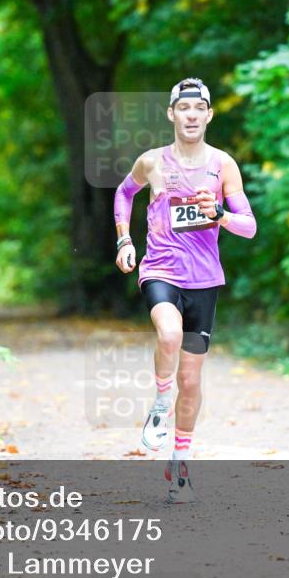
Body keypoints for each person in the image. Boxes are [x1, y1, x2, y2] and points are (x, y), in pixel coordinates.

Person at [112, 77, 257, 503]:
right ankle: (160, 400)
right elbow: (124, 194)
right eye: (184, 108)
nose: (191, 115)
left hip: (205, 280)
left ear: (209, 115)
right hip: (160, 269)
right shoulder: (152, 162)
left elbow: (249, 226)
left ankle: (179, 465)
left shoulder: (223, 165)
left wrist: (220, 216)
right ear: (172, 114)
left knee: (191, 382)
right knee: (169, 334)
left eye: (200, 109)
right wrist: (125, 239)